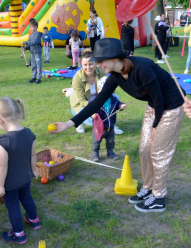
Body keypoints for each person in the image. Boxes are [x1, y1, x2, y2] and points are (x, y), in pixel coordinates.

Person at [52, 38, 186, 213]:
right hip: (154, 106)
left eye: (100, 61)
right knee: (145, 149)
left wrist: (155, 125)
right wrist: (68, 124)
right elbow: (96, 103)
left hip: (170, 107)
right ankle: (148, 188)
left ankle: (158, 197)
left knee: (158, 152)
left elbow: (160, 100)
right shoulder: (115, 77)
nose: (98, 65)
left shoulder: (142, 68)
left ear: (114, 57)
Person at [0, 97, 41, 244]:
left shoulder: (4, 141)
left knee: (13, 206)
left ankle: (18, 234)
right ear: (18, 112)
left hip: (11, 183)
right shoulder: (29, 133)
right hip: (26, 177)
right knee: (27, 198)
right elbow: (33, 154)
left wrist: (1, 186)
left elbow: (2, 166)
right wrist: (34, 170)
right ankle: (34, 220)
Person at [70, 50, 123, 135]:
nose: (88, 67)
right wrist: (95, 109)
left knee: (115, 98)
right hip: (81, 104)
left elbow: (109, 87)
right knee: (93, 116)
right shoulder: (77, 78)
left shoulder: (101, 71)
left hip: (98, 100)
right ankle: (80, 121)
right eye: (85, 65)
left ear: (95, 63)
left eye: (90, 64)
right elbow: (82, 101)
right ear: (81, 65)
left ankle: (111, 125)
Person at [91, 76, 126, 162]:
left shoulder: (114, 99)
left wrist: (121, 106)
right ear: (98, 90)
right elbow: (90, 109)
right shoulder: (96, 101)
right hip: (98, 128)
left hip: (110, 127)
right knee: (96, 142)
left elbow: (118, 105)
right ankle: (95, 153)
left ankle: (110, 152)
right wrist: (92, 114)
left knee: (111, 141)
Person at [22, 19, 43, 84]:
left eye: (32, 27)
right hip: (32, 53)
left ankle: (39, 78)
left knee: (38, 66)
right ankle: (34, 77)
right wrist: (25, 48)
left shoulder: (38, 34)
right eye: (30, 27)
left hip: (37, 53)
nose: (31, 28)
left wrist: (26, 43)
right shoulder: (31, 35)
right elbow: (30, 43)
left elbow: (35, 42)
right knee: (33, 66)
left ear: (36, 27)